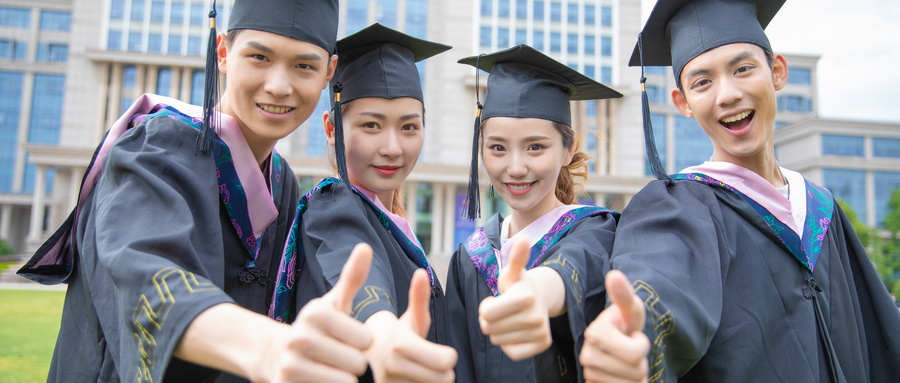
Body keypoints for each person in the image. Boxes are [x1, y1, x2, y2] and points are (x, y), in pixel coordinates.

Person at [16, 1, 380, 382]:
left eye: (304, 65)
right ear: (223, 53)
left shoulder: (281, 181)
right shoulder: (156, 148)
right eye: (259, 57)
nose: (279, 85)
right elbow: (147, 272)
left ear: (329, 73)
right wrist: (267, 346)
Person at [580, 0, 900, 382]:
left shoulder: (822, 209)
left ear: (777, 72)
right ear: (683, 103)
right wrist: (635, 330)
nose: (727, 94)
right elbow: (659, 280)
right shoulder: (682, 206)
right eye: (702, 82)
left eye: (743, 69)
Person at [280, 24, 458, 383]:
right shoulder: (333, 204)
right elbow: (353, 260)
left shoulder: (391, 221)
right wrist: (381, 327)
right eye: (372, 125)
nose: (393, 147)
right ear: (332, 128)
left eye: (409, 127)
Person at [446, 44, 622, 382]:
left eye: (535, 147)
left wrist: (539, 290)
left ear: (568, 150)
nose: (515, 168)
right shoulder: (470, 259)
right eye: (497, 147)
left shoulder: (596, 231)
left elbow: (577, 266)